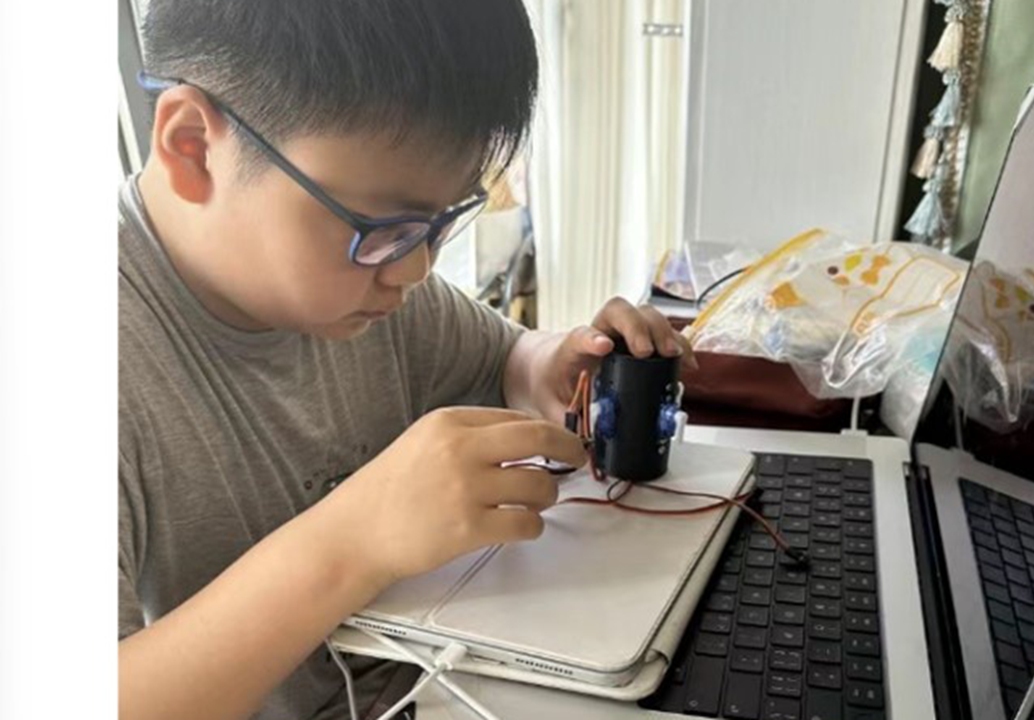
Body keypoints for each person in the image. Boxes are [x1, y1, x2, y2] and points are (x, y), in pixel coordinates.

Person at [118, 2, 695, 718]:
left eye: (441, 223)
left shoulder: (364, 287)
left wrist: (555, 367)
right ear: (193, 147)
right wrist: (354, 542)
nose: (416, 269)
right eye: (385, 228)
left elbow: (504, 358)